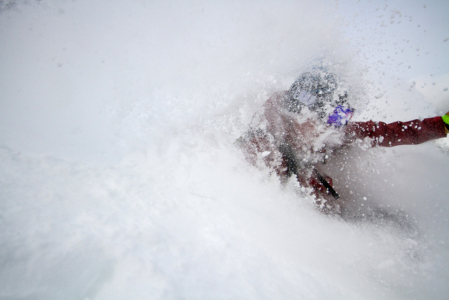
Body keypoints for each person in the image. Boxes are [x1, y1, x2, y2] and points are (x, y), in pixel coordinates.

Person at [237, 71, 449, 212]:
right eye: (331, 117)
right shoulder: (264, 144)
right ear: (301, 113)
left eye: (342, 117)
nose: (335, 126)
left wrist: (443, 124)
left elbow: (388, 132)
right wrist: (304, 181)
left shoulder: (333, 135)